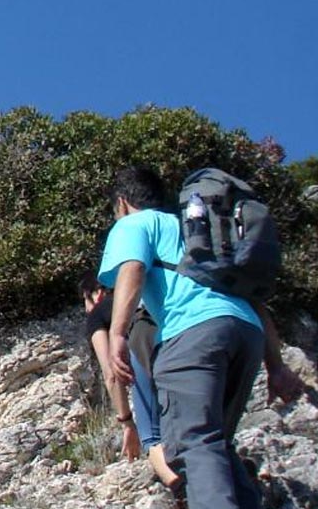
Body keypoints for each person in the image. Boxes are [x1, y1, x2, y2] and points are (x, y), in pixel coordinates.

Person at [100, 166, 300, 509]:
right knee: (216, 443)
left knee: (194, 443)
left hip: (191, 335)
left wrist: (118, 332)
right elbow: (253, 299)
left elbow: (132, 269)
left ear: (122, 202)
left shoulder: (133, 223)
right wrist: (276, 366)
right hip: (246, 332)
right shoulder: (203, 231)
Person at [80, 276, 179, 492]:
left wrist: (127, 422)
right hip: (179, 334)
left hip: (142, 341)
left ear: (96, 294)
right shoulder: (138, 298)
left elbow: (111, 374)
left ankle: (186, 492)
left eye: (84, 302)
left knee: (152, 438)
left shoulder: (98, 313)